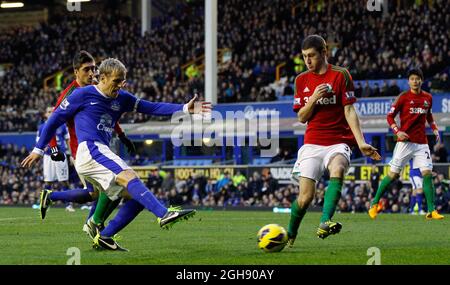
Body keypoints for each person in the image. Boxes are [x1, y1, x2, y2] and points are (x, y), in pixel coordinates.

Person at [21, 58, 211, 250]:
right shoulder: (82, 94)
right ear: (102, 78)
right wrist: (39, 149)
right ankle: (163, 214)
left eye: (123, 80)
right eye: (116, 81)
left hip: (100, 150)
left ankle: (104, 236)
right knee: (128, 176)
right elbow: (53, 120)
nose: (121, 85)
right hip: (89, 150)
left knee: (136, 197)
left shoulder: (123, 98)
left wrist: (185, 108)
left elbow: (151, 107)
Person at [288, 35, 381, 247]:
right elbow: (302, 117)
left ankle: (324, 221)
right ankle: (291, 233)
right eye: (304, 57)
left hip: (339, 141)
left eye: (311, 56)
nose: (308, 61)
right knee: (305, 199)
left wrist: (361, 142)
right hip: (312, 143)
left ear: (324, 52)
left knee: (338, 167)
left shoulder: (341, 75)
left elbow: (349, 110)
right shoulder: (301, 80)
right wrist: (313, 99)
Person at [38, 51, 135, 233]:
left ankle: (53, 198)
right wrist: (53, 148)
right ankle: (94, 226)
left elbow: (109, 115)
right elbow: (50, 123)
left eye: (94, 68)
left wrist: (122, 135)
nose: (92, 73)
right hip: (82, 150)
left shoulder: (96, 88)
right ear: (76, 72)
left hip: (98, 145)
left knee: (95, 192)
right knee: (106, 187)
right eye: (86, 69)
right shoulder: (70, 94)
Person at [369, 68, 444, 220]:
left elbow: (428, 115)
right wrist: (397, 131)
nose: (415, 81)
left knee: (427, 173)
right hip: (405, 142)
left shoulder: (428, 98)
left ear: (421, 81)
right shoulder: (403, 97)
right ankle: (374, 203)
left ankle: (432, 210)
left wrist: (435, 128)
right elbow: (390, 116)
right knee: (393, 174)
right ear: (409, 81)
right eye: (412, 79)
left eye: (417, 79)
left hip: (421, 143)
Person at [38, 106, 74, 212]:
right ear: (45, 114)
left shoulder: (62, 125)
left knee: (64, 181)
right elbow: (39, 142)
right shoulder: (41, 127)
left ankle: (69, 204)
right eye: (48, 111)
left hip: (60, 155)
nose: (51, 113)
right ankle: (46, 203)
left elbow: (68, 141)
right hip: (48, 156)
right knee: (48, 181)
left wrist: (71, 155)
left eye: (52, 111)